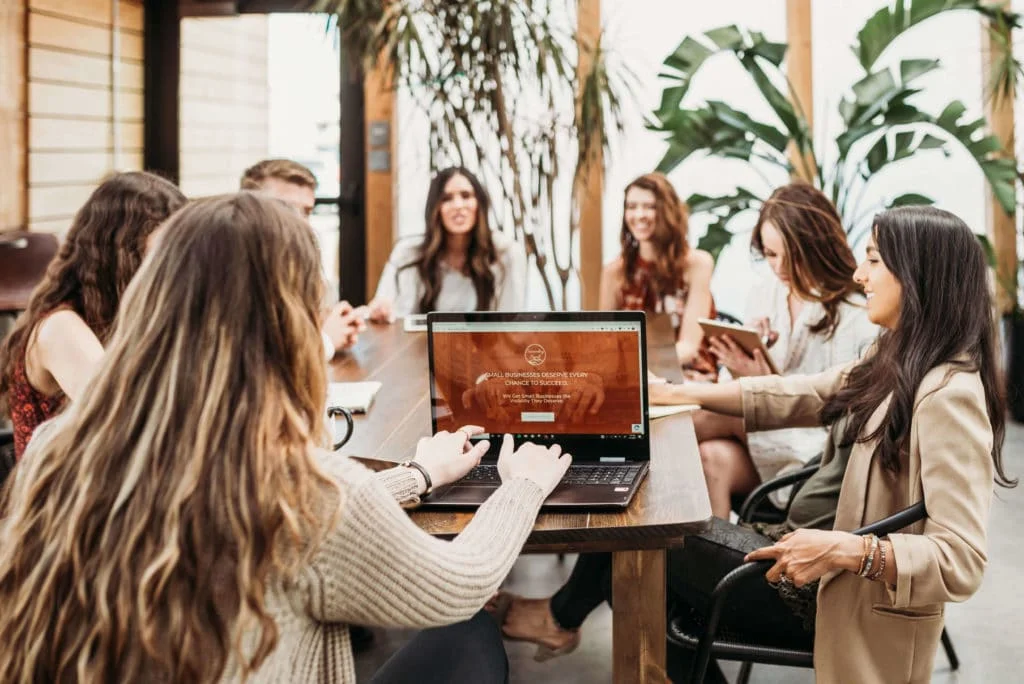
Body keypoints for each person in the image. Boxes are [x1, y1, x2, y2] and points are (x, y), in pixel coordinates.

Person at [0, 192, 573, 683]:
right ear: (290, 319)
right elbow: (458, 584)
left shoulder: (57, 449)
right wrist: (519, 487)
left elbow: (297, 517)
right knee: (468, 637)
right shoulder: (302, 484)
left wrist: (418, 476)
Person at [494, 205, 1013, 683]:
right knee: (633, 558)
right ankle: (562, 620)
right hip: (804, 548)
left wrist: (847, 549)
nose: (859, 276)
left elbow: (961, 559)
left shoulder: (950, 395)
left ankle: (558, 619)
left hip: (838, 592)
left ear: (920, 275)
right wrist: (677, 390)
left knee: (640, 542)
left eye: (874, 261)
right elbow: (807, 391)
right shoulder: (897, 352)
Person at [695, 182, 876, 517]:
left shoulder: (857, 316)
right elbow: (744, 387)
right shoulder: (767, 293)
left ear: (817, 248)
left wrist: (759, 383)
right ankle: (713, 566)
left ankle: (620, 465)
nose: (778, 269)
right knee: (710, 457)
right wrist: (738, 369)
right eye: (770, 255)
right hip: (762, 443)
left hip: (814, 452)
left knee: (702, 414)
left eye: (789, 257)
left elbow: (840, 416)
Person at [0, 171, 186, 460]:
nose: (169, 270)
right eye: (157, 256)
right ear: (117, 257)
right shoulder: (62, 328)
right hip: (60, 500)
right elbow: (130, 427)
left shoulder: (128, 317)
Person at [240, 158, 365, 359]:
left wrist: (340, 321)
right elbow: (257, 362)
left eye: (307, 212)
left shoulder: (301, 264)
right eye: (285, 209)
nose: (301, 223)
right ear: (248, 210)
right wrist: (326, 341)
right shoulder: (236, 271)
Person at [598, 172, 716, 378]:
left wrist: (639, 370)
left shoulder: (697, 264)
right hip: (632, 378)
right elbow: (605, 342)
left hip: (688, 376)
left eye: (650, 207)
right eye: (631, 207)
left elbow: (689, 346)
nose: (639, 215)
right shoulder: (613, 273)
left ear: (667, 212)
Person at [367, 167, 525, 321]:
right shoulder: (409, 253)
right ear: (435, 209)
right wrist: (380, 311)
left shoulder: (506, 254)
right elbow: (387, 309)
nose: (458, 205)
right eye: (447, 198)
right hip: (420, 346)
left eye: (466, 195)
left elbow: (511, 324)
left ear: (479, 204)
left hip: (486, 346)